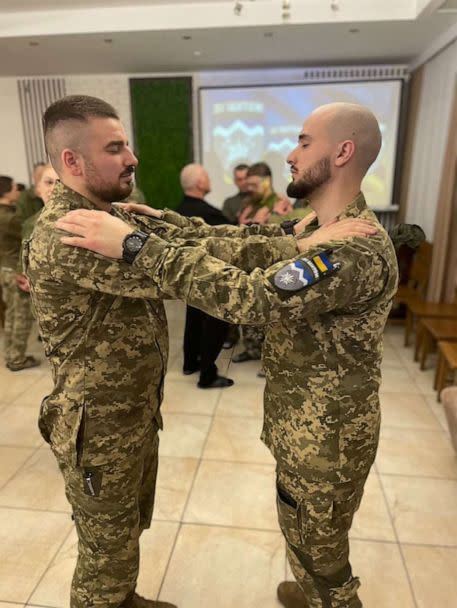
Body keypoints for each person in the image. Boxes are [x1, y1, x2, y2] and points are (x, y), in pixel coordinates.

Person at [56, 102, 399, 608]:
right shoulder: (313, 228)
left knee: (325, 556)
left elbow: (251, 299)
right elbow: (245, 243)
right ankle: (312, 589)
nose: (290, 153)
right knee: (301, 526)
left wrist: (137, 247)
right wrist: (164, 224)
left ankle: (328, 597)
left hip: (330, 435)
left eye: (304, 142)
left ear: (343, 152)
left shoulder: (352, 249)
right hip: (305, 422)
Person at [23, 95, 179, 608]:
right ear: (72, 162)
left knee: (125, 530)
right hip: (99, 428)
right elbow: (187, 275)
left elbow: (193, 246)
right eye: (115, 148)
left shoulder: (106, 217)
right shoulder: (71, 233)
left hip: (129, 413)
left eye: (127, 144)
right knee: (102, 554)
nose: (131, 157)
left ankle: (124, 598)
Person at [176, 163, 233, 388]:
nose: (210, 180)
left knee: (193, 319)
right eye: (207, 176)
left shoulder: (178, 211)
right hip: (211, 278)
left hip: (189, 277)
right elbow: (232, 238)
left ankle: (190, 363)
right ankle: (207, 375)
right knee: (215, 324)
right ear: (200, 183)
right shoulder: (209, 214)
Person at [0, 175, 39, 371]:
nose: (19, 191)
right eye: (15, 188)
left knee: (11, 314)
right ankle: (17, 358)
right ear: (6, 192)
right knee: (21, 316)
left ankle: (10, 353)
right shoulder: (9, 218)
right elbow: (30, 228)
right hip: (14, 270)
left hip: (4, 269)